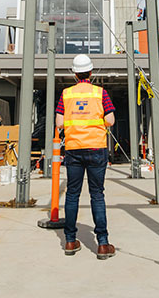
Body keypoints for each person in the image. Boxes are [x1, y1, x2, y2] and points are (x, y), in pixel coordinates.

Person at [55, 54, 116, 259]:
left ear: (74, 73)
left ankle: (70, 241)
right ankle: (103, 244)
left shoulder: (66, 94)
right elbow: (110, 120)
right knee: (97, 194)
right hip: (96, 148)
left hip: (73, 149)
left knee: (72, 194)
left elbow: (60, 123)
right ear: (90, 72)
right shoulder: (100, 93)